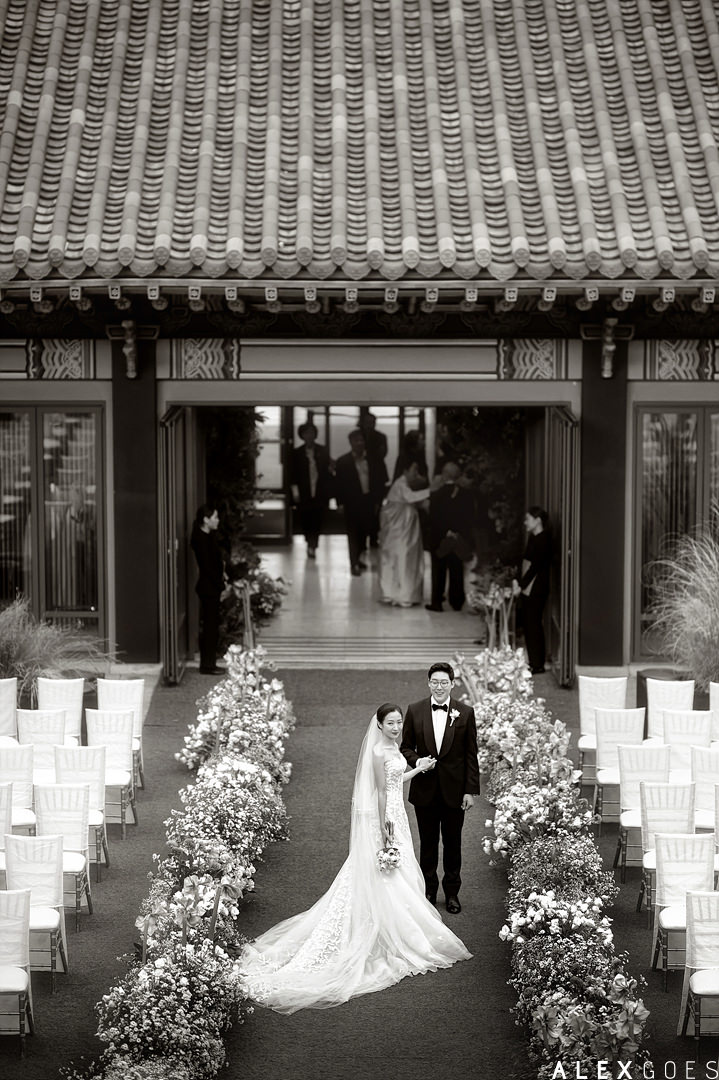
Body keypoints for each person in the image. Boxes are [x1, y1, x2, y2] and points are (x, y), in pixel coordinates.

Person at [239, 702, 471, 1013]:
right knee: (387, 870)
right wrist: (385, 826)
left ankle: (401, 923)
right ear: (379, 725)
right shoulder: (377, 752)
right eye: (390, 723)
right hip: (386, 817)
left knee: (397, 870)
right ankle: (393, 928)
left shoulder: (393, 747)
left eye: (399, 722)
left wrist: (418, 769)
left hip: (397, 814)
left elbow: (395, 780)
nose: (395, 727)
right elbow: (380, 791)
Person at [401, 662, 480, 914]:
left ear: (452, 684)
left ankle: (452, 893)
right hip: (424, 790)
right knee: (427, 843)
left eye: (444, 682)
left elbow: (471, 754)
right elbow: (405, 747)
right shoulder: (415, 710)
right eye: (434, 682)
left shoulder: (465, 712)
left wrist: (470, 791)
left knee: (453, 844)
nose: (439, 686)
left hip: (455, 791)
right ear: (428, 683)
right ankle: (429, 890)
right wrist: (417, 762)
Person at [333, 429, 387, 576]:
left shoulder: (374, 459)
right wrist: (340, 503)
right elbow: (338, 485)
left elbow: (380, 481)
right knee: (352, 533)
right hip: (351, 502)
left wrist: (378, 501)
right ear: (350, 443)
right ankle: (354, 563)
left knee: (364, 531)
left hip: (368, 500)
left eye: (361, 440)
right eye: (356, 440)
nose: (359, 443)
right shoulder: (343, 461)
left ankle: (358, 557)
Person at [378, 461, 430, 606]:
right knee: (403, 556)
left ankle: (395, 592)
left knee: (400, 557)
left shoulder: (403, 484)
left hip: (403, 526)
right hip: (400, 528)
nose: (416, 474)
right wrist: (431, 490)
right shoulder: (400, 484)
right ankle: (403, 594)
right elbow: (410, 497)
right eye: (414, 470)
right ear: (405, 470)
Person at [425, 461, 476, 612]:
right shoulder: (466, 495)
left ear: (445, 475)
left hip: (440, 538)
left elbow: (433, 519)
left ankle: (437, 601)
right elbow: (469, 517)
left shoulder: (436, 495)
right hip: (458, 538)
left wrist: (445, 531)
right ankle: (457, 601)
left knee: (438, 570)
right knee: (456, 568)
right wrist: (459, 533)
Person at [513, 506, 551, 674]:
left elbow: (535, 567)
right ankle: (534, 661)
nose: (525, 522)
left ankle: (537, 663)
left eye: (528, 519)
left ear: (538, 520)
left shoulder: (543, 540)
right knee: (530, 624)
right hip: (529, 585)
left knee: (534, 624)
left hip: (536, 587)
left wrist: (521, 584)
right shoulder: (534, 538)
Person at [190, 504, 227, 675]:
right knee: (210, 626)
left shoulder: (207, 536)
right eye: (215, 517)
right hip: (209, 587)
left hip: (211, 586)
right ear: (206, 520)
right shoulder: (201, 540)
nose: (217, 520)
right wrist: (221, 585)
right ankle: (207, 664)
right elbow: (208, 568)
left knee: (212, 625)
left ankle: (209, 662)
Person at [289, 422, 333, 559]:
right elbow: (293, 475)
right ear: (302, 435)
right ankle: (309, 542)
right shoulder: (297, 453)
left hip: (319, 490)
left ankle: (313, 545)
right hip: (304, 491)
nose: (310, 435)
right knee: (306, 518)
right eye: (307, 433)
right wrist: (295, 492)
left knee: (318, 518)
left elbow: (328, 471)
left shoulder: (322, 450)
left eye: (312, 433)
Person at [358, 412, 389, 546]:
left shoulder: (380, 437)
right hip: (362, 475)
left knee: (376, 507)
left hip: (377, 476)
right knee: (362, 507)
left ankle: (374, 536)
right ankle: (363, 535)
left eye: (372, 422)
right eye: (368, 422)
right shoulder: (358, 436)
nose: (370, 425)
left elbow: (382, 454)